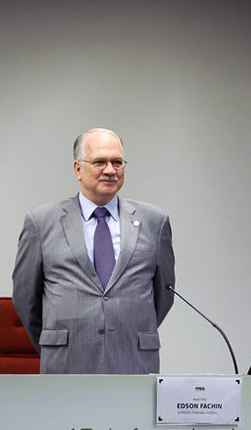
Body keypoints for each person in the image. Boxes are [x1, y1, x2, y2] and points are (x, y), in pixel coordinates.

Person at [12, 128, 175, 374]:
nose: (110, 170)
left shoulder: (155, 221)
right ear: (77, 168)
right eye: (100, 162)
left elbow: (164, 295)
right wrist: (58, 342)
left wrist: (127, 330)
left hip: (133, 361)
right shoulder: (41, 222)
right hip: (66, 364)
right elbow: (26, 299)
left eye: (117, 162)